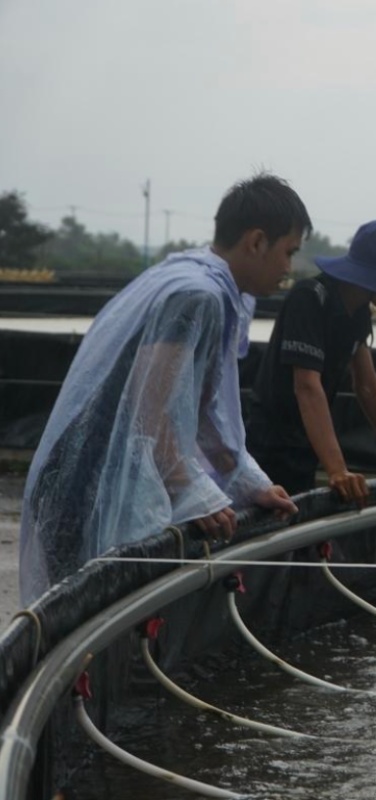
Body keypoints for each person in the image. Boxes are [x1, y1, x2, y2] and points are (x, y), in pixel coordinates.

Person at [19, 173, 308, 604]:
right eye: (289, 252)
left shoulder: (198, 281)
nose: (289, 269)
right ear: (256, 242)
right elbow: (148, 404)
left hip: (93, 469)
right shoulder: (197, 296)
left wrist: (246, 482)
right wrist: (188, 489)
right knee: (84, 617)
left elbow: (205, 410)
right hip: (88, 477)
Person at [247, 220, 376, 504]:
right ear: (373, 276)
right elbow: (306, 386)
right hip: (271, 447)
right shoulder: (310, 298)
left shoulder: (358, 310)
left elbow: (367, 386)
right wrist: (337, 469)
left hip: (307, 448)